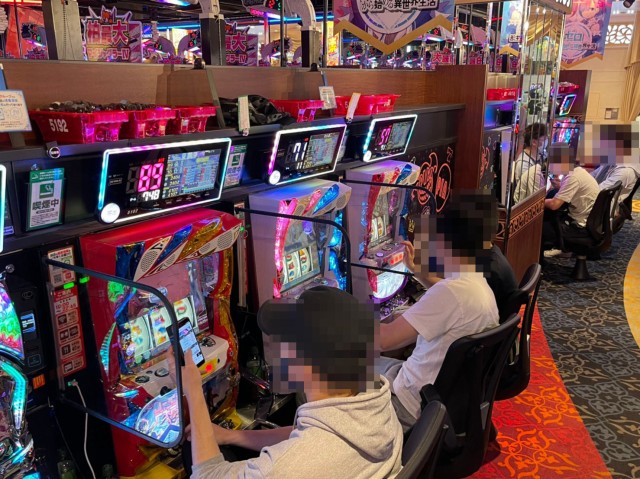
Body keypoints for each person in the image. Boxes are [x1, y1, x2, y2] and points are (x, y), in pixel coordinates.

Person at [180, 286, 403, 479]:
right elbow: (301, 433)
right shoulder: (377, 403)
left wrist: (193, 388)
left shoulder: (287, 467)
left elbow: (207, 474)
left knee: (192, 450)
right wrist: (234, 436)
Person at [379, 191, 500, 432]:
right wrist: (418, 272)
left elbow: (383, 340)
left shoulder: (451, 293)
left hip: (408, 406)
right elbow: (450, 298)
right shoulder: (475, 284)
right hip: (438, 397)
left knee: (324, 370)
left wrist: (335, 318)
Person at [542, 160, 600, 256]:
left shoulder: (573, 177)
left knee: (540, 227)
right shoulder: (578, 171)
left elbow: (554, 205)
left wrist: (538, 202)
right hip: (591, 222)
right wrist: (561, 186)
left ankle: (543, 258)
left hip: (579, 226)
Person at [512, 123, 547, 204]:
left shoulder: (540, 155)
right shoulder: (523, 163)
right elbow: (531, 193)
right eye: (543, 140)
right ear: (534, 142)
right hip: (527, 204)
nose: (545, 142)